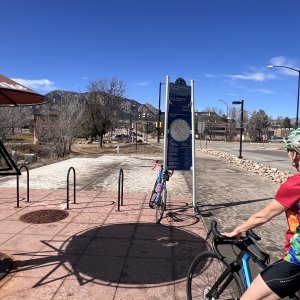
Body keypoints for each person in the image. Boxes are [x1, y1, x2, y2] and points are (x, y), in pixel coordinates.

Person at [223, 128, 300, 300]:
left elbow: (263, 216)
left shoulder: (295, 184)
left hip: (296, 262)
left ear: (294, 154)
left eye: (289, 151)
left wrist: (238, 229)